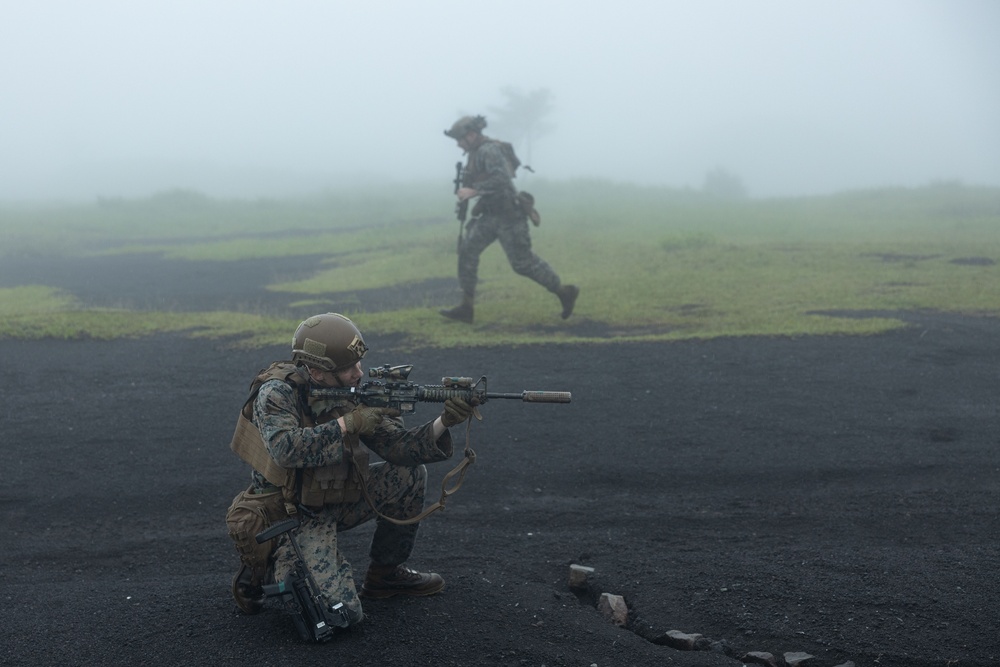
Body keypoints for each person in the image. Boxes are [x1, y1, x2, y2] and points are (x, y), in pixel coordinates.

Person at [227, 312, 478, 631]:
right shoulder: (277, 393)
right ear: (317, 371)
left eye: (359, 364)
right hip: (291, 515)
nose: (359, 374)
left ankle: (384, 576)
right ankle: (265, 563)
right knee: (342, 616)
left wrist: (445, 422)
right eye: (349, 368)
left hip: (336, 496)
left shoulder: (350, 392)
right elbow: (285, 449)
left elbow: (397, 448)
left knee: (409, 475)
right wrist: (349, 424)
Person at [440, 114, 579, 324]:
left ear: (471, 135)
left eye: (460, 139)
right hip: (489, 215)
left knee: (522, 263)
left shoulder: (489, 150)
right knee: (467, 252)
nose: (458, 144)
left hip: (509, 216)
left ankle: (564, 292)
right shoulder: (474, 153)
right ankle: (466, 307)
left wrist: (473, 191)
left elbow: (502, 179)